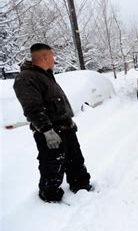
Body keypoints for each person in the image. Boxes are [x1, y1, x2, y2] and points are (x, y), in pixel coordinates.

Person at [13, 43, 92, 203]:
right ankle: (50, 200)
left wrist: (68, 122)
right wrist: (47, 131)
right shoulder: (26, 78)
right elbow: (32, 108)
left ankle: (81, 186)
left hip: (66, 129)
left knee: (76, 162)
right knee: (52, 169)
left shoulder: (45, 75)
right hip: (51, 133)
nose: (54, 59)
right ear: (45, 56)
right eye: (52, 55)